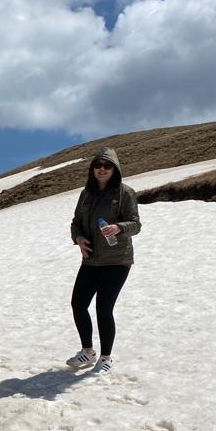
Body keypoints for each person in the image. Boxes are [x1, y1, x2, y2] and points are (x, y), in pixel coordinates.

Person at [67, 148, 142, 374]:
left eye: (107, 166)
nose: (102, 169)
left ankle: (106, 358)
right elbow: (76, 222)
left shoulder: (125, 193)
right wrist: (78, 238)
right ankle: (88, 351)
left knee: (103, 307)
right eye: (97, 165)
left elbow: (136, 224)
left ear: (115, 169)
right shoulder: (86, 194)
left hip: (117, 260)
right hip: (91, 259)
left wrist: (119, 227)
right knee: (78, 304)